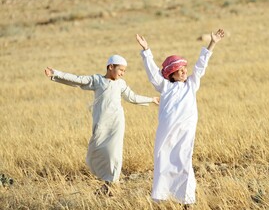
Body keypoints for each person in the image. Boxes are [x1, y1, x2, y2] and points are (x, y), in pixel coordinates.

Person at [44, 55, 159, 194]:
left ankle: (112, 184)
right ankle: (105, 178)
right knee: (96, 150)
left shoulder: (121, 83)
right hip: (101, 123)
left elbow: (132, 98)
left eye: (124, 71)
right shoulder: (97, 80)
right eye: (121, 70)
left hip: (117, 122)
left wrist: (151, 99)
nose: (122, 73)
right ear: (111, 67)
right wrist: (56, 74)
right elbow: (77, 80)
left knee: (114, 152)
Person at [136, 29, 225, 205]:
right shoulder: (165, 87)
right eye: (179, 70)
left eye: (184, 68)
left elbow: (201, 66)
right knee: (163, 162)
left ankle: (187, 202)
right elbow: (153, 72)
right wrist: (146, 51)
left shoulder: (191, 85)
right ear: (171, 74)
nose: (184, 72)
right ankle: (161, 200)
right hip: (166, 133)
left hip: (185, 132)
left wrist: (212, 43)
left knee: (184, 162)